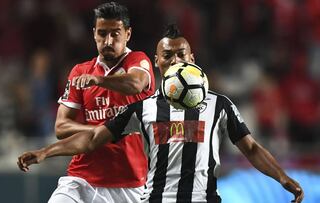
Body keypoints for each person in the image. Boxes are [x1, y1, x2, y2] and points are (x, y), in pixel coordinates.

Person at [18, 24, 304, 203]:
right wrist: (46, 151)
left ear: (192, 59)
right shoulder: (142, 109)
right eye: (168, 55)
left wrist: (282, 177)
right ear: (157, 62)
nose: (175, 60)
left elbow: (251, 148)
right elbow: (92, 140)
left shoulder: (220, 105)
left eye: (181, 54)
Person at [43, 2, 155, 203]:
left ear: (127, 34)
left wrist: (98, 80)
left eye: (115, 33)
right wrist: (101, 132)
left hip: (131, 183)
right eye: (102, 33)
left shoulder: (139, 61)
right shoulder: (80, 72)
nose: (108, 40)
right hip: (82, 179)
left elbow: (136, 84)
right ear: (94, 33)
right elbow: (61, 126)